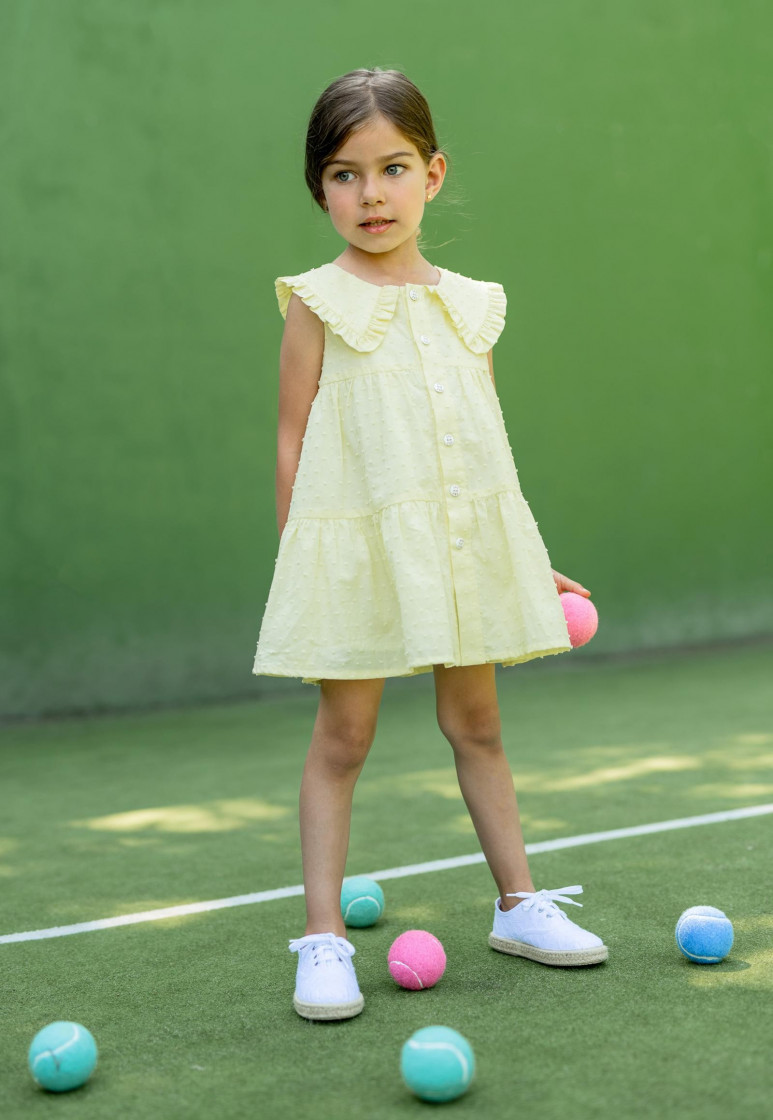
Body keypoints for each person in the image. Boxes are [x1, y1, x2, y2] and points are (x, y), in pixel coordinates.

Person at [252, 68, 608, 1021]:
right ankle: (322, 940)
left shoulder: (471, 304)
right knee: (343, 739)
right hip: (356, 558)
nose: (370, 194)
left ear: (433, 174)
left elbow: (479, 448)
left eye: (393, 168)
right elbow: (291, 438)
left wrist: (523, 556)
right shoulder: (315, 301)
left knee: (479, 727)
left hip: (459, 549)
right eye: (343, 173)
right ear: (318, 188)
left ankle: (519, 906)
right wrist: (303, 565)